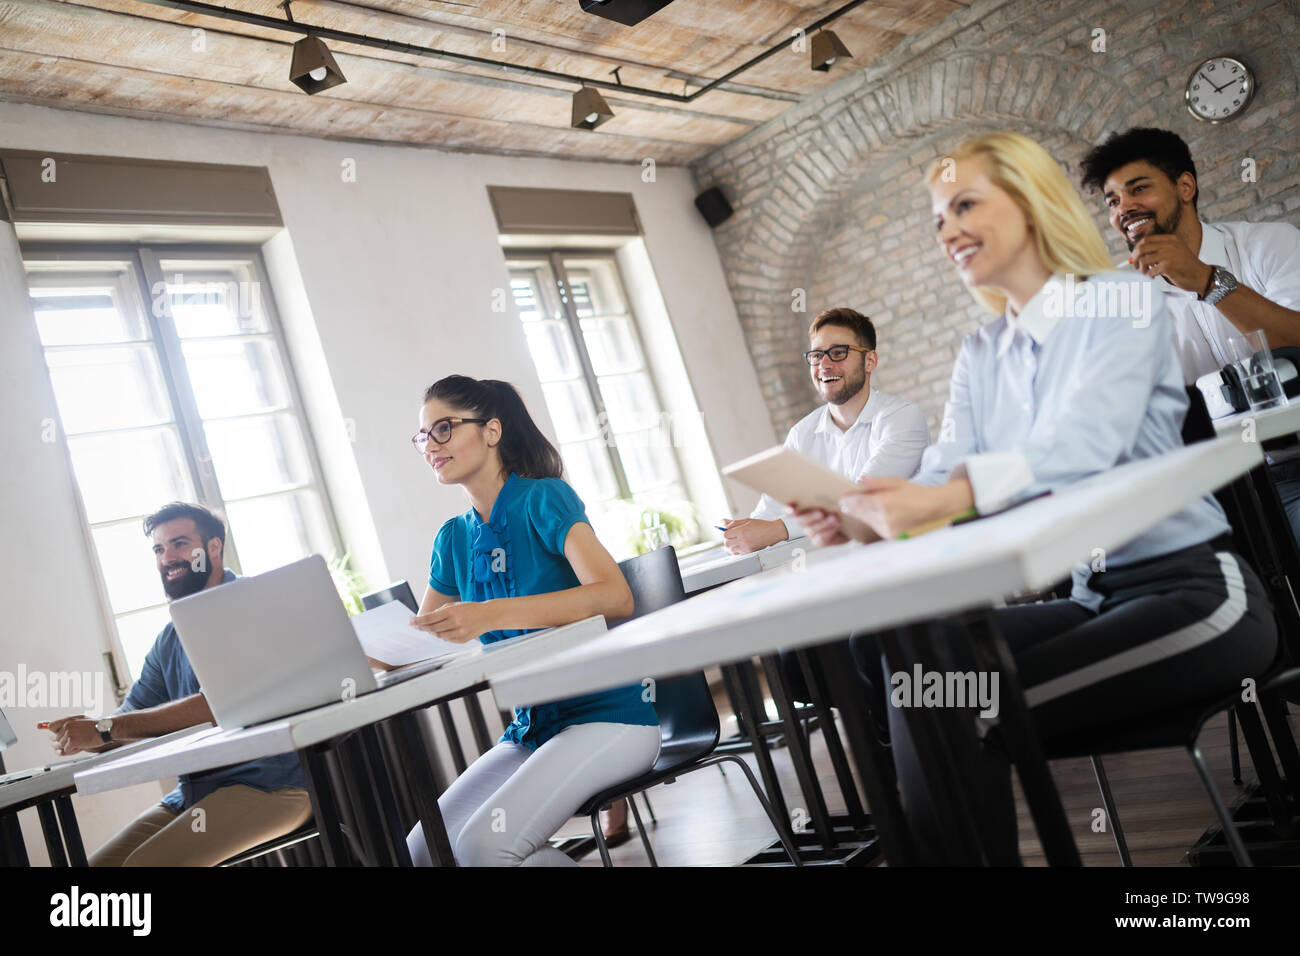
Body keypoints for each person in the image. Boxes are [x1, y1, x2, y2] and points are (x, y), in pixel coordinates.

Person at [795, 131, 1278, 863]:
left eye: (965, 205)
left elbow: (1081, 449)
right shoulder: (982, 351)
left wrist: (934, 500)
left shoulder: (1121, 302)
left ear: (1028, 204)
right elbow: (944, 472)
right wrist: (858, 513)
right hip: (1093, 599)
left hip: (1195, 594)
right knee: (920, 675)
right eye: (937, 219)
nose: (948, 230)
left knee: (970, 712)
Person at [405, 375, 660, 866]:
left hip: (610, 716)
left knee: (484, 846)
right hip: (533, 729)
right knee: (427, 849)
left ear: (492, 431)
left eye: (444, 429)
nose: (430, 445)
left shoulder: (544, 498)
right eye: (423, 435)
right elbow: (421, 643)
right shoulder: (453, 539)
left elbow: (614, 596)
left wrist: (488, 614)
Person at [47, 502, 311, 866]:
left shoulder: (255, 602)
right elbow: (129, 722)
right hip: (193, 793)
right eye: (159, 548)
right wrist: (87, 734)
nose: (167, 557)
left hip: (271, 787)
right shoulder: (170, 637)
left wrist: (106, 729)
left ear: (214, 548)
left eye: (180, 544)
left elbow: (221, 704)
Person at [1080, 126, 1300, 545]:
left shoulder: (1269, 245)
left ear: (1185, 186)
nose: (1124, 207)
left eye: (1138, 188)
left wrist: (1206, 281)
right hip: (1210, 489)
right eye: (1112, 201)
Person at [722, 308, 930, 556]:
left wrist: (777, 530)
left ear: (870, 361)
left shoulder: (903, 418)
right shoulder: (801, 434)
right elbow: (769, 512)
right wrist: (742, 534)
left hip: (906, 559)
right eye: (817, 355)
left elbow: (859, 502)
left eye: (838, 353)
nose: (825, 365)